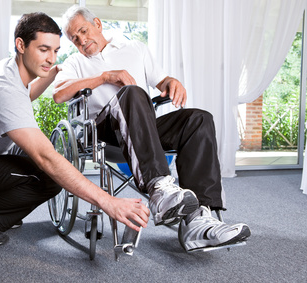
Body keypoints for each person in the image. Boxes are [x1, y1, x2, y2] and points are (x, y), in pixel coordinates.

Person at [0, 12, 150, 248]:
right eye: (43, 49)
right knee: (48, 178)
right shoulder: (4, 90)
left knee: (43, 164)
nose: (50, 58)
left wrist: (53, 72)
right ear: (21, 45)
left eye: (55, 51)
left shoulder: (10, 69)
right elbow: (46, 157)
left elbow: (27, 94)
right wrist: (109, 202)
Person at [53, 5, 251, 252]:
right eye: (75, 39)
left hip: (143, 128)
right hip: (104, 133)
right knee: (132, 92)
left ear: (98, 24)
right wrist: (104, 77)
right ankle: (159, 188)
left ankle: (199, 220)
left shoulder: (135, 49)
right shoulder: (75, 62)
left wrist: (171, 81)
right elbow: (59, 94)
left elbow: (161, 81)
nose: (81, 40)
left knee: (198, 119)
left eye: (83, 31)